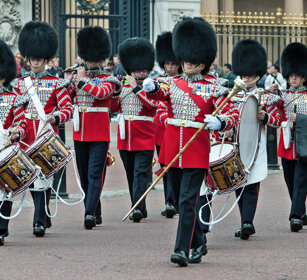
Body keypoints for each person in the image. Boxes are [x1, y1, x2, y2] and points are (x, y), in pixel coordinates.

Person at [143, 17, 239, 266]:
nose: (186, 61)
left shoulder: (215, 85)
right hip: (173, 148)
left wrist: (222, 122)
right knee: (182, 200)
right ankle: (198, 242)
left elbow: (231, 112)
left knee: (187, 200)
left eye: (192, 58)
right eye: (185, 57)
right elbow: (159, 95)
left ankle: (181, 249)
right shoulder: (173, 83)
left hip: (196, 150)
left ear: (202, 60)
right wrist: (151, 86)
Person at [11, 21, 73, 237]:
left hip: (47, 135)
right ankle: (43, 214)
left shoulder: (57, 83)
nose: (36, 60)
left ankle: (38, 221)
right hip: (26, 136)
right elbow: (15, 111)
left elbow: (67, 109)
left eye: (39, 57)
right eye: (33, 56)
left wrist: (55, 117)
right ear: (28, 57)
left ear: (46, 58)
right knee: (30, 178)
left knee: (44, 179)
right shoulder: (19, 84)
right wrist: (17, 128)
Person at [65, 26, 121, 230]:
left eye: (95, 59)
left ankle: (88, 212)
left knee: (95, 174)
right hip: (79, 132)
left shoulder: (110, 79)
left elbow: (99, 93)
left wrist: (81, 81)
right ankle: (95, 210)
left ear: (102, 58)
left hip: (99, 133)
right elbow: (66, 99)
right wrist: (67, 82)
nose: (92, 63)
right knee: (84, 175)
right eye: (89, 59)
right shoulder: (77, 77)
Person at [230, 39, 281, 240]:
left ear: (256, 75)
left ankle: (247, 222)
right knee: (238, 184)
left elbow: (276, 121)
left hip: (256, 146)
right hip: (236, 145)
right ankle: (245, 220)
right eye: (243, 74)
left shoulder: (265, 97)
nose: (246, 78)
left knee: (251, 183)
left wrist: (265, 117)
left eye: (249, 75)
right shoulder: (232, 96)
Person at [111, 37, 159, 223]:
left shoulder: (153, 87)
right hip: (126, 138)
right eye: (137, 70)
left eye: (143, 70)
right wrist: (116, 89)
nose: (140, 73)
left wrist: (136, 89)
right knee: (131, 174)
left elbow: (152, 106)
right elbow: (113, 108)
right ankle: (140, 206)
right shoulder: (123, 87)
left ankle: (136, 208)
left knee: (140, 173)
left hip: (145, 137)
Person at [273, 42, 307, 232]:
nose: (293, 78)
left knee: (301, 180)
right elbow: (274, 116)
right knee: (291, 181)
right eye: (291, 75)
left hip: (304, 146)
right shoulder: (283, 96)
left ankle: (295, 216)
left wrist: (300, 118)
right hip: (287, 148)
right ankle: (301, 211)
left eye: (296, 75)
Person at [0, 40, 27, 246]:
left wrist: (18, 131)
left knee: (4, 188)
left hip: (5, 146)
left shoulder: (13, 96)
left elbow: (21, 120)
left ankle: (1, 228)